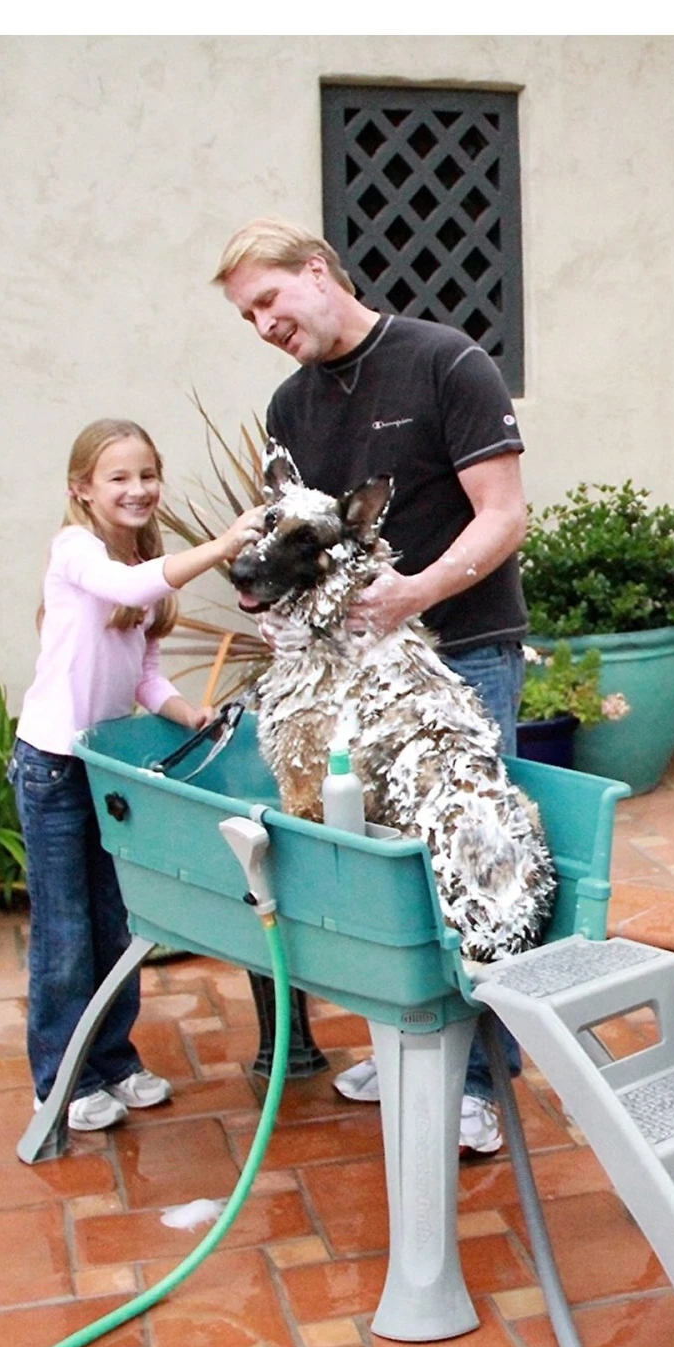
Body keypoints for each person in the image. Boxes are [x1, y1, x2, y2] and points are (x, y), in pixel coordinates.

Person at [214, 217, 531, 1155]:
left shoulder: (447, 363)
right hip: (358, 674)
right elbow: (303, 544)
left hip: (461, 654)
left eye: (268, 300)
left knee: (470, 855)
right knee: (383, 860)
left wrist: (415, 591)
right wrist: (281, 614)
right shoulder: (290, 407)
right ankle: (411, 1041)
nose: (264, 325)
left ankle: (482, 1082)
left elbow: (504, 515)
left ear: (318, 273)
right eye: (247, 316)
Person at [11, 418, 265, 1132]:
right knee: (65, 934)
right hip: (51, 767)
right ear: (81, 490)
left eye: (147, 475)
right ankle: (60, 1081)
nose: (137, 488)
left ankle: (113, 1061)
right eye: (118, 477)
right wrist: (223, 545)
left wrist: (187, 713)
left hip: (103, 766)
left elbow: (145, 673)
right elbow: (122, 583)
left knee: (116, 925)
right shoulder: (77, 552)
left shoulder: (142, 565)